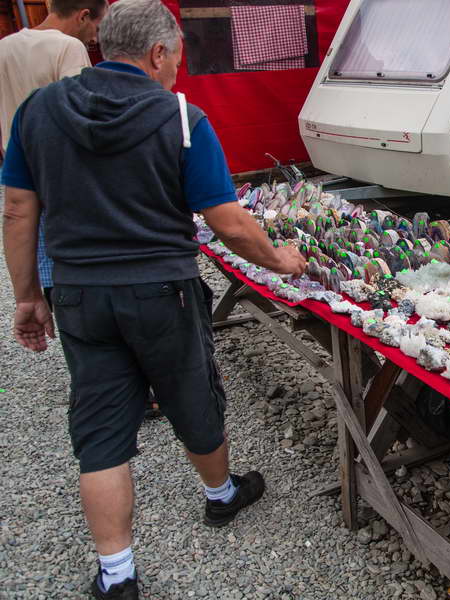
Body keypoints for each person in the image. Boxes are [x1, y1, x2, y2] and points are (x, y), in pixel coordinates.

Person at [1, 0, 307, 597]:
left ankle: (117, 574)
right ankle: (221, 494)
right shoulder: (183, 118)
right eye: (176, 59)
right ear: (157, 52)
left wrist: (27, 296)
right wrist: (280, 260)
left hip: (79, 293)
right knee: (192, 395)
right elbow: (227, 220)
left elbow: (17, 210)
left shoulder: (39, 109)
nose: (177, 71)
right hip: (162, 290)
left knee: (100, 425)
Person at [0, 0, 106, 304]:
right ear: (83, 15)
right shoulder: (68, 47)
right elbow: (82, 114)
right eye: (97, 27)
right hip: (63, 170)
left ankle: (49, 306)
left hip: (18, 166)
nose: (95, 38)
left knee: (41, 256)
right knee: (76, 260)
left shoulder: (5, 46)